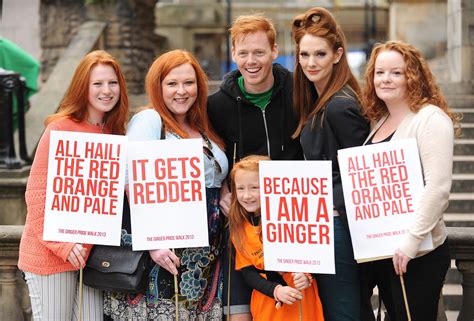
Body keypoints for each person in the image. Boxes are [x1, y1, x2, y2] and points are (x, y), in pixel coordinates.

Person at [103, 49, 229, 320]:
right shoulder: (150, 121)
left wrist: (226, 191)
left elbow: (215, 176)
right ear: (158, 87)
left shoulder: (203, 125)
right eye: (172, 83)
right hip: (165, 248)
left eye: (188, 82)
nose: (181, 91)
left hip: (206, 250)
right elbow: (131, 181)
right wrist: (154, 243)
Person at [18, 50, 129, 321]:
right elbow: (36, 194)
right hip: (51, 256)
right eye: (98, 84)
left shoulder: (115, 133)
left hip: (93, 259)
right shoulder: (60, 128)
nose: (107, 90)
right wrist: (63, 244)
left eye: (112, 83)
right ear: (83, 87)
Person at [207, 14, 303, 320]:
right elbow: (213, 155)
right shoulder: (217, 106)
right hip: (243, 221)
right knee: (240, 311)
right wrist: (224, 186)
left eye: (259, 52)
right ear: (233, 53)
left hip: (294, 216)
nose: (251, 61)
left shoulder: (299, 93)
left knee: (296, 302)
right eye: (243, 53)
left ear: (274, 51)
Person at [361, 40, 459, 321]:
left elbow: (438, 188)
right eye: (379, 72)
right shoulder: (378, 121)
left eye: (396, 72)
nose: (385, 79)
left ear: (412, 76)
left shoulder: (429, 119)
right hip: (382, 251)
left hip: (416, 253)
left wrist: (410, 242)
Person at [291, 7, 370, 321]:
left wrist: (328, 201)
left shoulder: (339, 105)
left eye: (320, 54)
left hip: (339, 226)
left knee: (343, 312)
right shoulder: (321, 101)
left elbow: (360, 172)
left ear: (338, 54)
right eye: (304, 54)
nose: (311, 63)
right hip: (324, 224)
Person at [228, 155, 324, 321]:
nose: (247, 195)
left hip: (301, 298)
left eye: (254, 187)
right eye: (241, 188)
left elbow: (314, 252)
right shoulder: (239, 228)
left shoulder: (294, 217)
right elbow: (248, 273)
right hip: (269, 302)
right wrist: (275, 290)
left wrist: (308, 275)